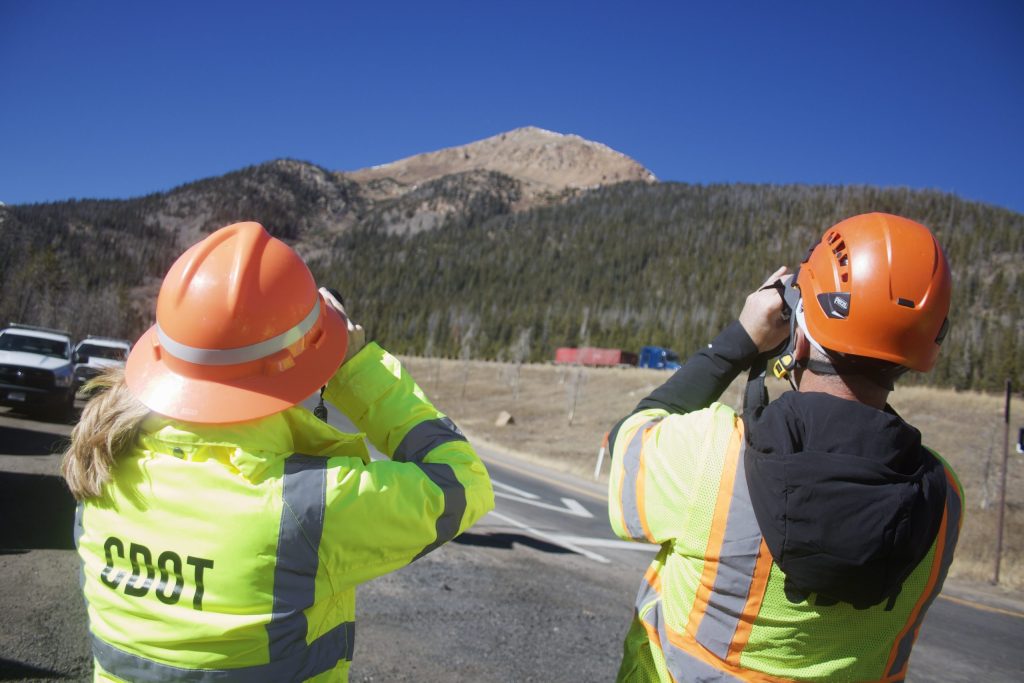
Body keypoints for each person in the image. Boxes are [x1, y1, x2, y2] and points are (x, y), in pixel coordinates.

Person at [62, 221, 494, 681]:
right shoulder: (309, 506)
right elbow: (465, 481)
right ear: (304, 362)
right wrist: (357, 365)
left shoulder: (102, 463)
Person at [607, 212, 962, 682]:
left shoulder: (712, 454)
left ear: (800, 331)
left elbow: (627, 440)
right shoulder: (942, 499)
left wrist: (738, 342)